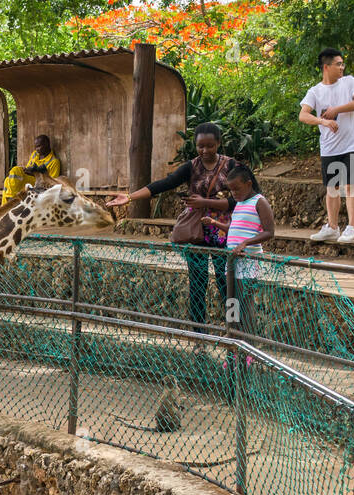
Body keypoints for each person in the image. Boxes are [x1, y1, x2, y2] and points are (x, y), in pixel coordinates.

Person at [110, 123, 238, 330]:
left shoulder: (231, 167)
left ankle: (235, 330)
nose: (205, 151)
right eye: (200, 146)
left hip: (223, 231)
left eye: (210, 146)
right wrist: (129, 197)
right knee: (197, 284)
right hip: (195, 232)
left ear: (219, 144)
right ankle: (199, 333)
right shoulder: (191, 166)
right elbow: (164, 184)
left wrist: (206, 203)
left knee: (228, 284)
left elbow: (242, 198)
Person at [300, 47, 354, 244]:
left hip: (352, 145)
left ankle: (352, 228)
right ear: (326, 67)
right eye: (338, 64)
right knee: (331, 188)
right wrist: (323, 121)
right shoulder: (315, 91)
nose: (342, 67)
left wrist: (336, 109)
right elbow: (303, 115)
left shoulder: (349, 82)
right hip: (329, 147)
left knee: (350, 187)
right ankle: (332, 227)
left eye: (342, 64)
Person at [204, 163, 274, 338]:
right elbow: (233, 228)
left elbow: (269, 232)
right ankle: (232, 334)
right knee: (231, 300)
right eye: (231, 191)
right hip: (233, 260)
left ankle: (248, 341)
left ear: (249, 184)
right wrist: (215, 223)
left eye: (237, 189)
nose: (234, 194)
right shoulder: (240, 203)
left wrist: (245, 243)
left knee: (245, 302)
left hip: (248, 260)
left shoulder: (259, 201)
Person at [2, 134, 61, 204]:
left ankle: (11, 201)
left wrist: (36, 173)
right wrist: (27, 170)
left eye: (39, 146)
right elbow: (28, 167)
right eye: (36, 147)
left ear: (47, 144)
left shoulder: (54, 161)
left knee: (15, 171)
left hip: (38, 183)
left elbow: (52, 182)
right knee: (8, 180)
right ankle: (4, 206)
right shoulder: (35, 154)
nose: (37, 149)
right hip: (28, 179)